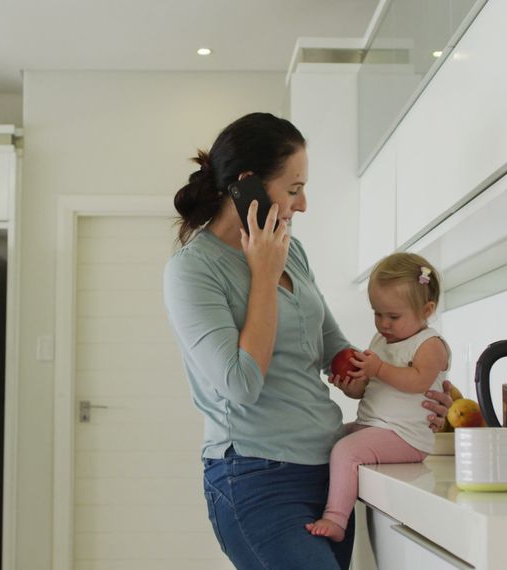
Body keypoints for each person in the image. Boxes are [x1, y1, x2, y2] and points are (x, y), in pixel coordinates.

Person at [163, 112, 454, 570]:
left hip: (328, 472)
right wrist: (263, 274)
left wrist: (417, 389)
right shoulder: (194, 269)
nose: (303, 205)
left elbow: (334, 351)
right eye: (294, 190)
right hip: (256, 477)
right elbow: (241, 384)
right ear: (248, 186)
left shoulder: (291, 250)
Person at [306, 252, 449, 542]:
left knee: (346, 451)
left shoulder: (430, 344)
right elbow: (371, 389)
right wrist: (352, 386)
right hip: (375, 426)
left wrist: (379, 367)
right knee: (326, 437)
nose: (384, 323)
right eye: (377, 313)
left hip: (405, 436)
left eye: (394, 316)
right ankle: (316, 503)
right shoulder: (381, 340)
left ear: (427, 309)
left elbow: (419, 380)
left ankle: (336, 519)